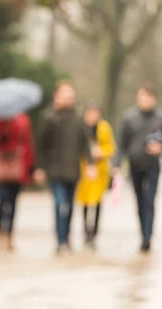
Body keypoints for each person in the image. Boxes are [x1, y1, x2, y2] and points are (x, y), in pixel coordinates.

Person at [33, 80, 96, 253]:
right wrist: (39, 168)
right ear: (57, 96)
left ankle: (66, 238)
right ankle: (60, 240)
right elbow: (40, 145)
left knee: (69, 206)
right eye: (65, 95)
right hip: (55, 170)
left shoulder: (78, 119)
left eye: (71, 96)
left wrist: (90, 165)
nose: (69, 99)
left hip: (73, 170)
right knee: (60, 204)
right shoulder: (48, 118)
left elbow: (85, 144)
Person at [113, 83, 162, 253]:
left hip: (153, 166)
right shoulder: (129, 118)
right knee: (140, 201)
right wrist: (117, 163)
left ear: (154, 98)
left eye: (148, 97)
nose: (145, 100)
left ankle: (148, 237)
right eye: (142, 97)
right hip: (135, 165)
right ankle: (143, 233)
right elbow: (122, 144)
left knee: (149, 201)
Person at [0, 112, 36, 252]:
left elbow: (27, 143)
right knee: (2, 201)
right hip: (0, 167)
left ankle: (10, 235)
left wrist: (30, 167)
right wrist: (1, 136)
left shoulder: (22, 119)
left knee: (13, 202)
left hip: (16, 166)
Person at [75, 104, 117, 249]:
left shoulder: (104, 128)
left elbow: (111, 146)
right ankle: (86, 230)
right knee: (85, 201)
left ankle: (95, 232)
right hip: (85, 170)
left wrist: (101, 152)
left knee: (98, 201)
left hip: (100, 171)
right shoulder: (81, 127)